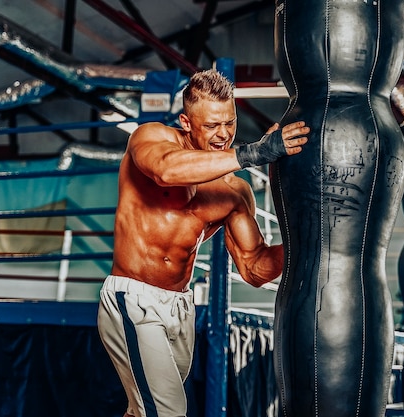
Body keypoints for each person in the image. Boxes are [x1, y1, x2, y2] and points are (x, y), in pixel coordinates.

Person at [97, 68, 309, 417]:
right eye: (211, 125)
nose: (223, 134)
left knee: (143, 410)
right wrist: (253, 153)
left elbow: (254, 267)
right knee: (168, 412)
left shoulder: (234, 190)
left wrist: (307, 241)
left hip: (180, 306)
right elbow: (166, 170)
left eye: (230, 123)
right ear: (187, 121)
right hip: (133, 299)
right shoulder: (150, 137)